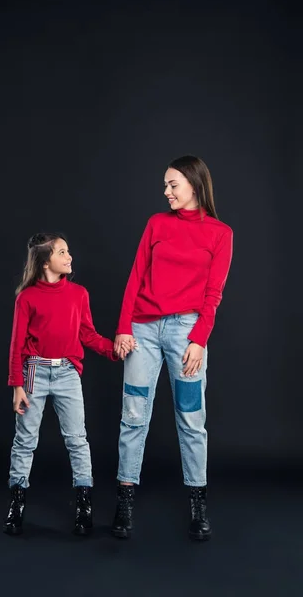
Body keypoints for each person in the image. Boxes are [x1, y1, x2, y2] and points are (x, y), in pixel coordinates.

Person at [111, 155, 233, 540]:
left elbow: (213, 294)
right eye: (165, 185)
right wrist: (122, 328)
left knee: (191, 419)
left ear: (194, 186)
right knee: (133, 415)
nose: (166, 192)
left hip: (186, 332)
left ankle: (198, 504)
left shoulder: (220, 233)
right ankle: (125, 500)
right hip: (142, 331)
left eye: (172, 185)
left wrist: (199, 340)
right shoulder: (156, 224)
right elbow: (135, 276)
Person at [3, 232, 128, 536]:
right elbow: (16, 345)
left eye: (68, 251)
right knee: (25, 441)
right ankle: (16, 504)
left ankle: (84, 504)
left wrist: (113, 348)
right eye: (62, 252)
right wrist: (17, 385)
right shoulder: (27, 298)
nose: (69, 257)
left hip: (67, 373)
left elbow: (87, 334)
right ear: (46, 261)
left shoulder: (79, 294)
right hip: (34, 371)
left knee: (77, 439)